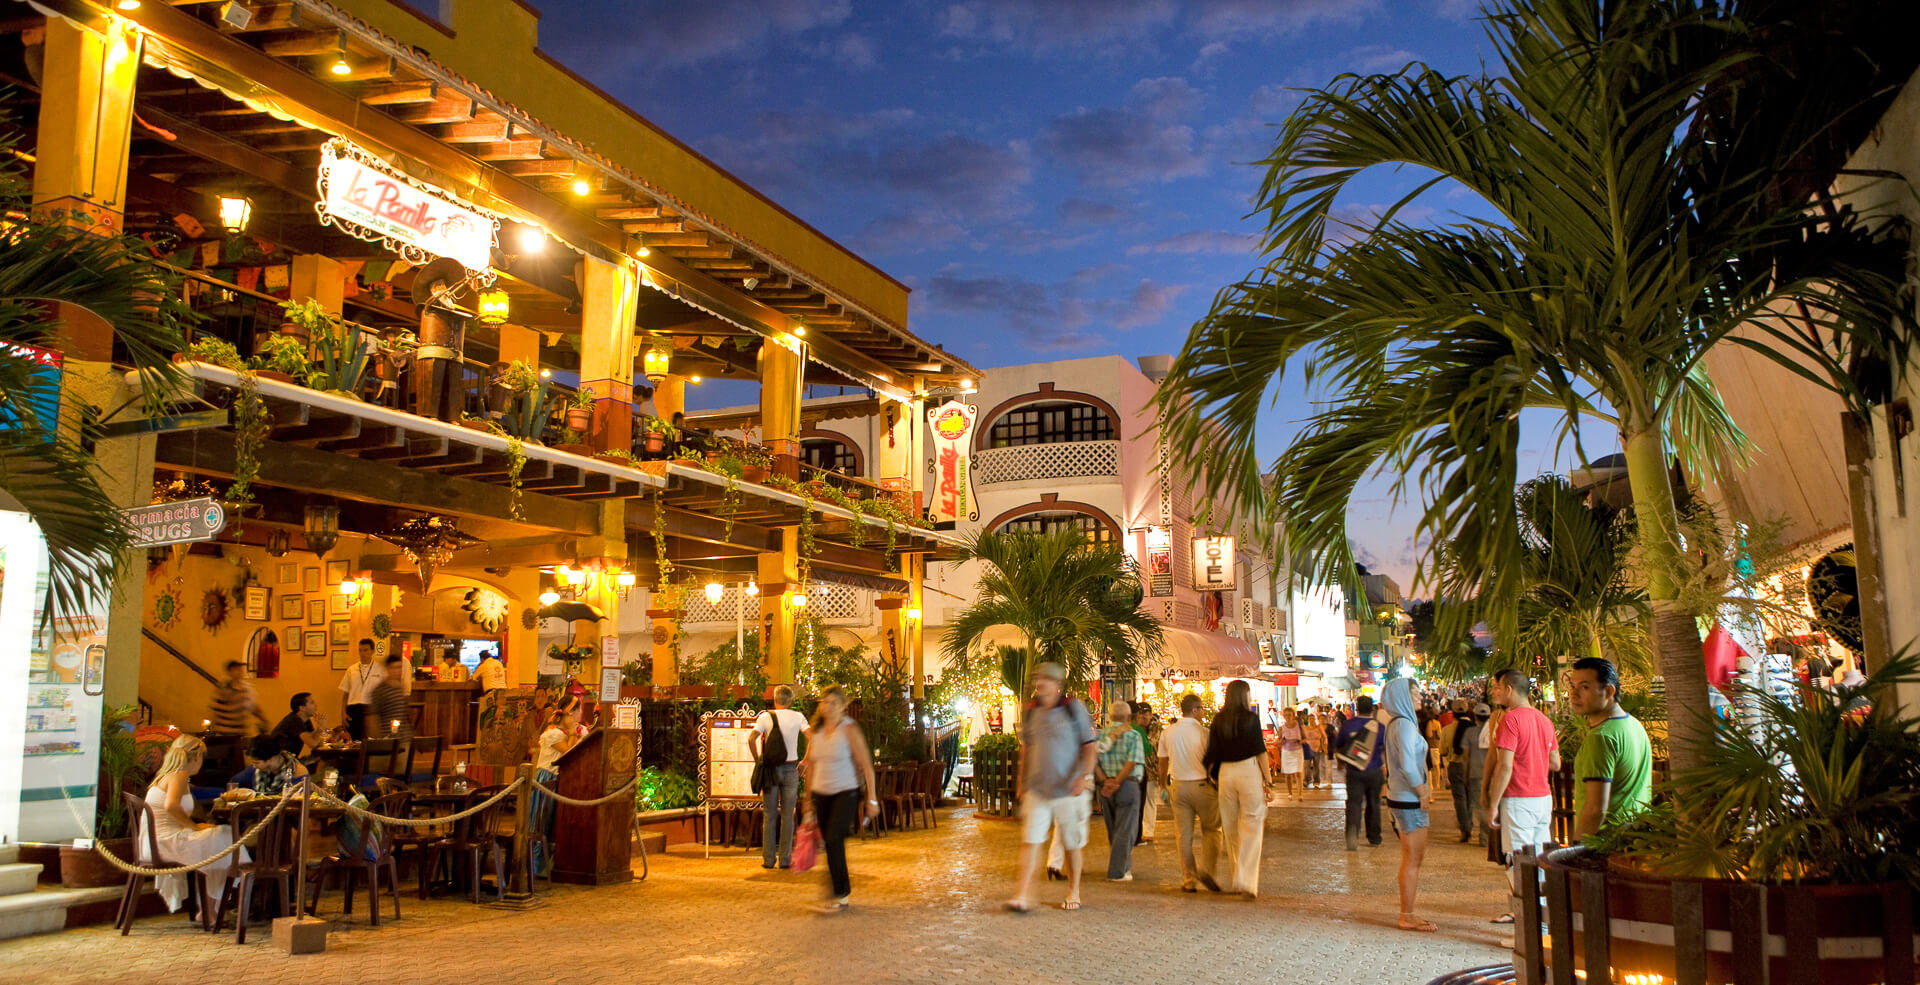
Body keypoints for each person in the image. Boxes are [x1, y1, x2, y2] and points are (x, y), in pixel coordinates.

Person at [1007, 662, 1096, 913]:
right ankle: (1022, 894)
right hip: (1038, 788)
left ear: (1058, 685)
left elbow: (1089, 746)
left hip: (1068, 788)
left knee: (1071, 843)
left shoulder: (1073, 709)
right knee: (1031, 841)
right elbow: (1027, 747)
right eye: (1038, 678)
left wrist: (1083, 776)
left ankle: (1073, 890)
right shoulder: (1031, 710)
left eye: (1045, 679)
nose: (1040, 683)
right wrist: (1021, 782)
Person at [140, 735, 248, 918]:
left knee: (219, 840)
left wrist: (198, 825)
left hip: (155, 841)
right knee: (226, 838)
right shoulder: (179, 774)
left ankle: (209, 908)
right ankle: (212, 908)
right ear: (197, 756)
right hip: (165, 843)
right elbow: (171, 806)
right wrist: (194, 827)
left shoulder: (167, 775)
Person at [1486, 668, 1560, 925]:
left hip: (1518, 798)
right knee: (1538, 858)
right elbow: (1555, 763)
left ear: (1508, 688)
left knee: (1518, 861)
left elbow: (1504, 766)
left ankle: (1532, 924)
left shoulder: (1511, 720)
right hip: (1542, 798)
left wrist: (1493, 804)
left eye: (1496, 687)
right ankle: (1535, 916)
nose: (1493, 692)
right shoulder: (1544, 720)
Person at [801, 685, 879, 912]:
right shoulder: (816, 732)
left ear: (843, 706)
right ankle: (837, 890)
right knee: (829, 842)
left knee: (834, 838)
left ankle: (841, 893)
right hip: (821, 793)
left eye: (834, 703)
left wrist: (872, 799)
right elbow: (812, 765)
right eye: (825, 702)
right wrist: (807, 799)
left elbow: (866, 765)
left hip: (846, 792)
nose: (828, 707)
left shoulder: (849, 729)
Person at [1567, 657, 1652, 839]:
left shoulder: (1601, 737)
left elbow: (1596, 809)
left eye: (1585, 687)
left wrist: (1578, 848)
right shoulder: (1634, 725)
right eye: (1573, 686)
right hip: (1635, 838)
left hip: (1605, 844)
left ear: (1608, 691)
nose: (1573, 694)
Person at [1203, 679, 1269, 900]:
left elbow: (1212, 752)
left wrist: (1211, 776)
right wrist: (1268, 781)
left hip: (1226, 775)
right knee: (1252, 825)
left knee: (1231, 828)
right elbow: (1260, 751)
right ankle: (1246, 881)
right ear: (1245, 696)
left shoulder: (1219, 719)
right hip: (1247, 771)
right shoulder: (1251, 719)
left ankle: (1236, 876)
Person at [1379, 677, 1437, 932]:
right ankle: (1407, 915)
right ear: (1402, 697)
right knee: (1412, 858)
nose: (1419, 697)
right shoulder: (1403, 725)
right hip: (1407, 800)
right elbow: (1406, 763)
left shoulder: (1402, 723)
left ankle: (1408, 913)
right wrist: (1422, 791)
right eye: (1414, 693)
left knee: (1414, 857)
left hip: (1406, 798)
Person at [1159, 693, 1221, 892]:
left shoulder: (1168, 732)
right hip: (1202, 786)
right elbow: (1213, 760)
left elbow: (1162, 761)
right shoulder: (1204, 732)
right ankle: (1207, 870)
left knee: (1183, 836)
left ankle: (1188, 879)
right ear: (1194, 710)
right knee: (1212, 830)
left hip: (1178, 786)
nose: (1203, 711)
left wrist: (1163, 785)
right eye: (1201, 708)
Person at [751, 685, 809, 869]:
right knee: (787, 815)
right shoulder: (798, 717)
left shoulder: (765, 717)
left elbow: (751, 738)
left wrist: (758, 760)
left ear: (774, 699)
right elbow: (811, 737)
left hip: (771, 770)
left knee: (769, 815)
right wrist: (805, 762)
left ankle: (768, 859)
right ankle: (785, 859)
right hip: (792, 768)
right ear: (790, 700)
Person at [529, 693, 588, 876]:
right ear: (569, 714)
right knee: (541, 825)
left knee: (557, 827)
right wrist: (571, 732)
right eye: (578, 711)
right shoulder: (552, 733)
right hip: (546, 783)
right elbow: (568, 753)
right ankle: (534, 868)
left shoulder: (580, 731)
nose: (580, 715)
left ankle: (553, 866)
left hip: (565, 783)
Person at [1094, 701, 1144, 881]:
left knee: (1113, 827)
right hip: (1127, 785)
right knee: (1126, 829)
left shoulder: (1101, 736)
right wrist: (1117, 781)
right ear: (1129, 717)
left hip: (1105, 787)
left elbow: (1093, 761)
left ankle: (1124, 866)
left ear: (1110, 716)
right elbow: (1132, 762)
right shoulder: (1133, 735)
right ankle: (1117, 871)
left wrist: (1105, 781)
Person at [1334, 695, 1387, 850]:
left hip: (1354, 772)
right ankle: (1374, 837)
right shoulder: (1379, 727)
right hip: (1374, 770)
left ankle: (1352, 834)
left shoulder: (1348, 725)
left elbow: (1339, 746)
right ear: (1372, 709)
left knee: (1354, 803)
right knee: (1373, 803)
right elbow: (1383, 750)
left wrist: (1339, 764)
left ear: (1356, 707)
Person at [225, 733, 308, 798]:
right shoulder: (256, 770)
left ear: (270, 759)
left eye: (256, 762)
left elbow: (300, 800)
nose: (254, 766)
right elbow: (233, 784)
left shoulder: (298, 772)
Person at [1444, 704, 1477, 842]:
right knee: (1469, 797)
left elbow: (1442, 751)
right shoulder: (1474, 729)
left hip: (1455, 766)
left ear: (1453, 714)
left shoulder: (1447, 729)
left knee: (1459, 799)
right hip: (1472, 766)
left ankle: (1465, 828)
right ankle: (1468, 823)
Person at [338, 639, 383, 740]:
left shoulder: (380, 669)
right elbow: (345, 693)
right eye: (360, 650)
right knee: (352, 741)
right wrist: (343, 713)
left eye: (366, 650)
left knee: (370, 741)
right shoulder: (351, 669)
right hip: (353, 709)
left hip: (370, 709)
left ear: (372, 651)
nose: (363, 653)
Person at [208, 660, 268, 736]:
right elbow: (215, 710)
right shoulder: (223, 688)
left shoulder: (245, 690)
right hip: (223, 734)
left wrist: (264, 720)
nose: (240, 671)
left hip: (239, 734)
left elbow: (253, 707)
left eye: (240, 669)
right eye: (236, 669)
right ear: (229, 672)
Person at [270, 692, 324, 760]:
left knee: (319, 759)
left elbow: (315, 740)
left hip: (288, 759)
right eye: (312, 703)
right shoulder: (294, 720)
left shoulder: (306, 720)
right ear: (302, 708)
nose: (316, 705)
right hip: (276, 762)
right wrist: (320, 728)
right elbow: (312, 744)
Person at [1135, 703, 1160, 845]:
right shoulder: (1134, 729)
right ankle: (1139, 830)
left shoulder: (1156, 729)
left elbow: (1152, 746)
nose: (1143, 716)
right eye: (1140, 713)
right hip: (1135, 770)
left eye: (1146, 713)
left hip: (1151, 770)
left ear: (1151, 714)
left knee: (1149, 801)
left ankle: (1148, 831)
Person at [370, 654, 412, 740]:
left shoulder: (400, 688)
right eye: (394, 668)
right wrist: (378, 738)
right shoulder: (380, 690)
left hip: (404, 737)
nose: (397, 671)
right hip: (388, 738)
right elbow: (372, 717)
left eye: (399, 667)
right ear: (387, 669)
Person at [1274, 706, 1305, 800]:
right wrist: (1281, 742)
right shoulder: (1282, 728)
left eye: (1289, 715)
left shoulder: (1299, 726)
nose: (1288, 716)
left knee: (1298, 773)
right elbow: (1278, 742)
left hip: (1297, 751)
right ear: (1283, 716)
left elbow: (1306, 738)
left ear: (1293, 715)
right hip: (1286, 752)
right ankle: (1290, 793)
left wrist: (1301, 741)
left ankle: (1300, 794)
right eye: (1286, 715)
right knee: (1288, 774)